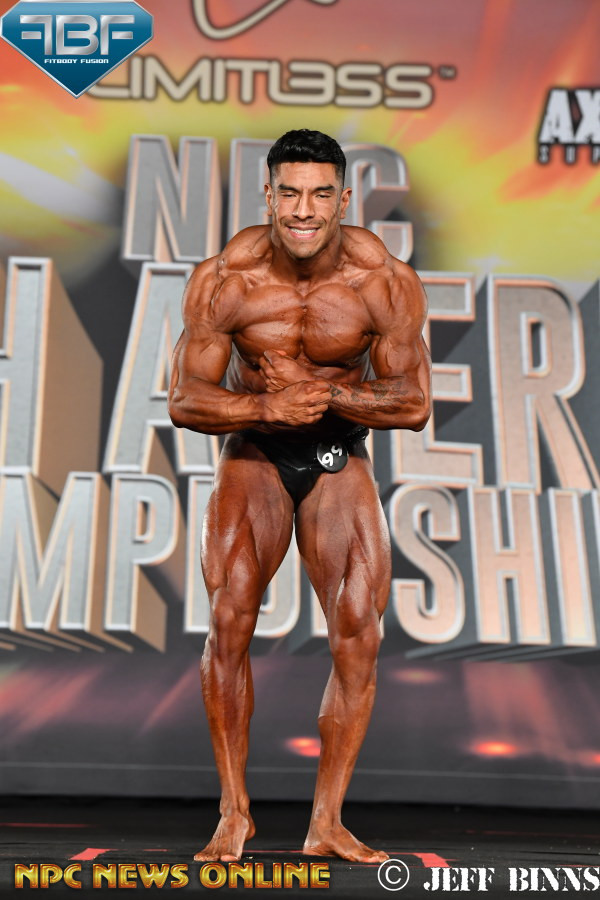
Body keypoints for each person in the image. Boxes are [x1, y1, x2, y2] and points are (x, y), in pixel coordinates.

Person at [168, 129, 431, 863]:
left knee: (360, 630)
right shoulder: (228, 278)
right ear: (269, 196)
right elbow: (185, 399)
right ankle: (234, 813)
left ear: (344, 199)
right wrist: (265, 407)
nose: (303, 210)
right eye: (289, 193)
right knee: (230, 618)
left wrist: (325, 395)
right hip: (254, 450)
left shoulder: (383, 281)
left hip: (337, 452)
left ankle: (327, 823)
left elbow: (413, 403)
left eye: (319, 194)